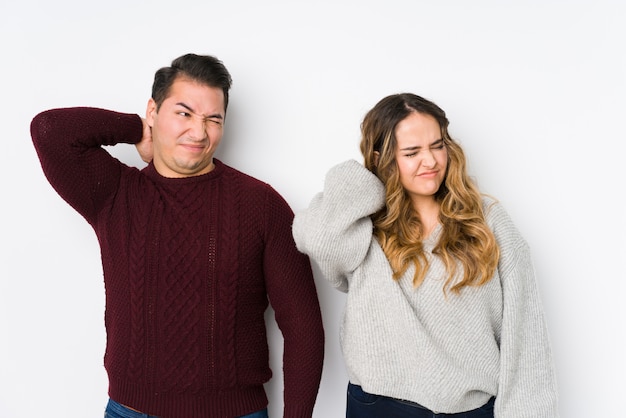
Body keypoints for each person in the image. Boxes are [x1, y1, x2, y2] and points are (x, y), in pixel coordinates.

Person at [30, 53, 325, 418]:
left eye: (213, 119)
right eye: (183, 113)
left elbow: (303, 326)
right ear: (154, 111)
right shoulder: (116, 194)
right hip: (131, 411)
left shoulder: (261, 205)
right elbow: (50, 130)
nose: (199, 132)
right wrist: (135, 129)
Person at [292, 93, 559, 417]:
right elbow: (317, 238)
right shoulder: (362, 226)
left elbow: (525, 334)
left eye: (437, 145)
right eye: (412, 152)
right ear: (382, 158)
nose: (430, 161)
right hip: (380, 407)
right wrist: (369, 181)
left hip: (471, 409)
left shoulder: (487, 221)